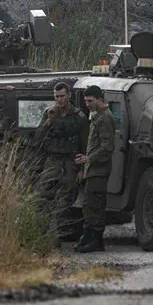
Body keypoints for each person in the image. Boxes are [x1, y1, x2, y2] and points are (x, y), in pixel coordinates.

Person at [33, 82, 89, 243]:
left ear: (69, 96)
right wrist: (49, 121)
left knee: (65, 202)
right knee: (41, 197)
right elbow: (38, 139)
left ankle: (57, 237)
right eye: (56, 97)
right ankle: (40, 235)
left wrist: (82, 169)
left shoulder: (78, 117)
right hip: (53, 161)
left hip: (71, 162)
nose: (59, 100)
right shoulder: (49, 113)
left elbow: (85, 144)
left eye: (62, 96)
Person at [74, 85, 115, 253]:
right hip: (93, 170)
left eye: (90, 101)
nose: (87, 104)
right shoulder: (98, 116)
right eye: (85, 101)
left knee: (95, 206)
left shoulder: (105, 118)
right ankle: (89, 238)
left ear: (99, 99)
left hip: (99, 170)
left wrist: (89, 159)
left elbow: (107, 147)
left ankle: (96, 241)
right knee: (89, 205)